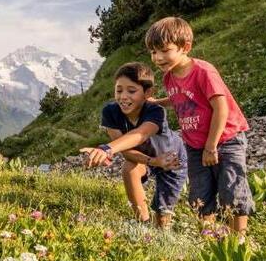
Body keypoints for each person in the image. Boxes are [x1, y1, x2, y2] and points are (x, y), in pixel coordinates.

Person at [145, 16, 254, 235]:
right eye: (153, 52)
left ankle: (238, 240)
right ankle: (208, 237)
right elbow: (181, 97)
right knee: (200, 193)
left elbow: (220, 107)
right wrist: (158, 103)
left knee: (232, 189)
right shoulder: (169, 78)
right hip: (195, 145)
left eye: (164, 50)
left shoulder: (203, 71)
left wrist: (211, 146)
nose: (157, 57)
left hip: (225, 140)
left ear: (185, 47)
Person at [80, 62, 187, 228]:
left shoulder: (155, 111)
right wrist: (152, 161)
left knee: (162, 215)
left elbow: (140, 134)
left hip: (171, 161)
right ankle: (142, 223)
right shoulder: (110, 112)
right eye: (119, 90)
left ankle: (161, 230)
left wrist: (107, 149)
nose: (123, 96)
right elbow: (126, 150)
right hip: (148, 159)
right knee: (129, 168)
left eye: (131, 91)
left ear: (148, 93)